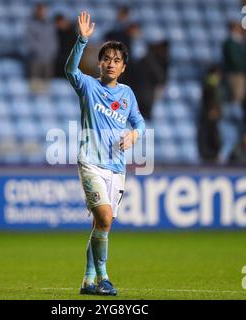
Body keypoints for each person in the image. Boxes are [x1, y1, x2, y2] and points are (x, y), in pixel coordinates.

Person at [65, 12, 145, 296]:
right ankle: (104, 277)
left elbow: (140, 122)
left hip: (117, 167)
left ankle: (87, 281)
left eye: (117, 60)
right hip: (90, 162)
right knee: (106, 217)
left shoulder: (127, 94)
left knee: (102, 224)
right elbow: (70, 70)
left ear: (123, 67)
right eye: (107, 59)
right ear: (99, 63)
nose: (111, 64)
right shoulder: (88, 86)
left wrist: (134, 134)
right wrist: (82, 40)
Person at [26, 3, 58, 94]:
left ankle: (45, 102)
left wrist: (52, 53)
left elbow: (53, 41)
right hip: (35, 58)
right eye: (41, 10)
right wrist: (37, 52)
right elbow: (30, 41)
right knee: (35, 83)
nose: (43, 13)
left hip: (48, 59)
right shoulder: (31, 24)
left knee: (47, 84)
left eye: (44, 11)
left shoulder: (50, 25)